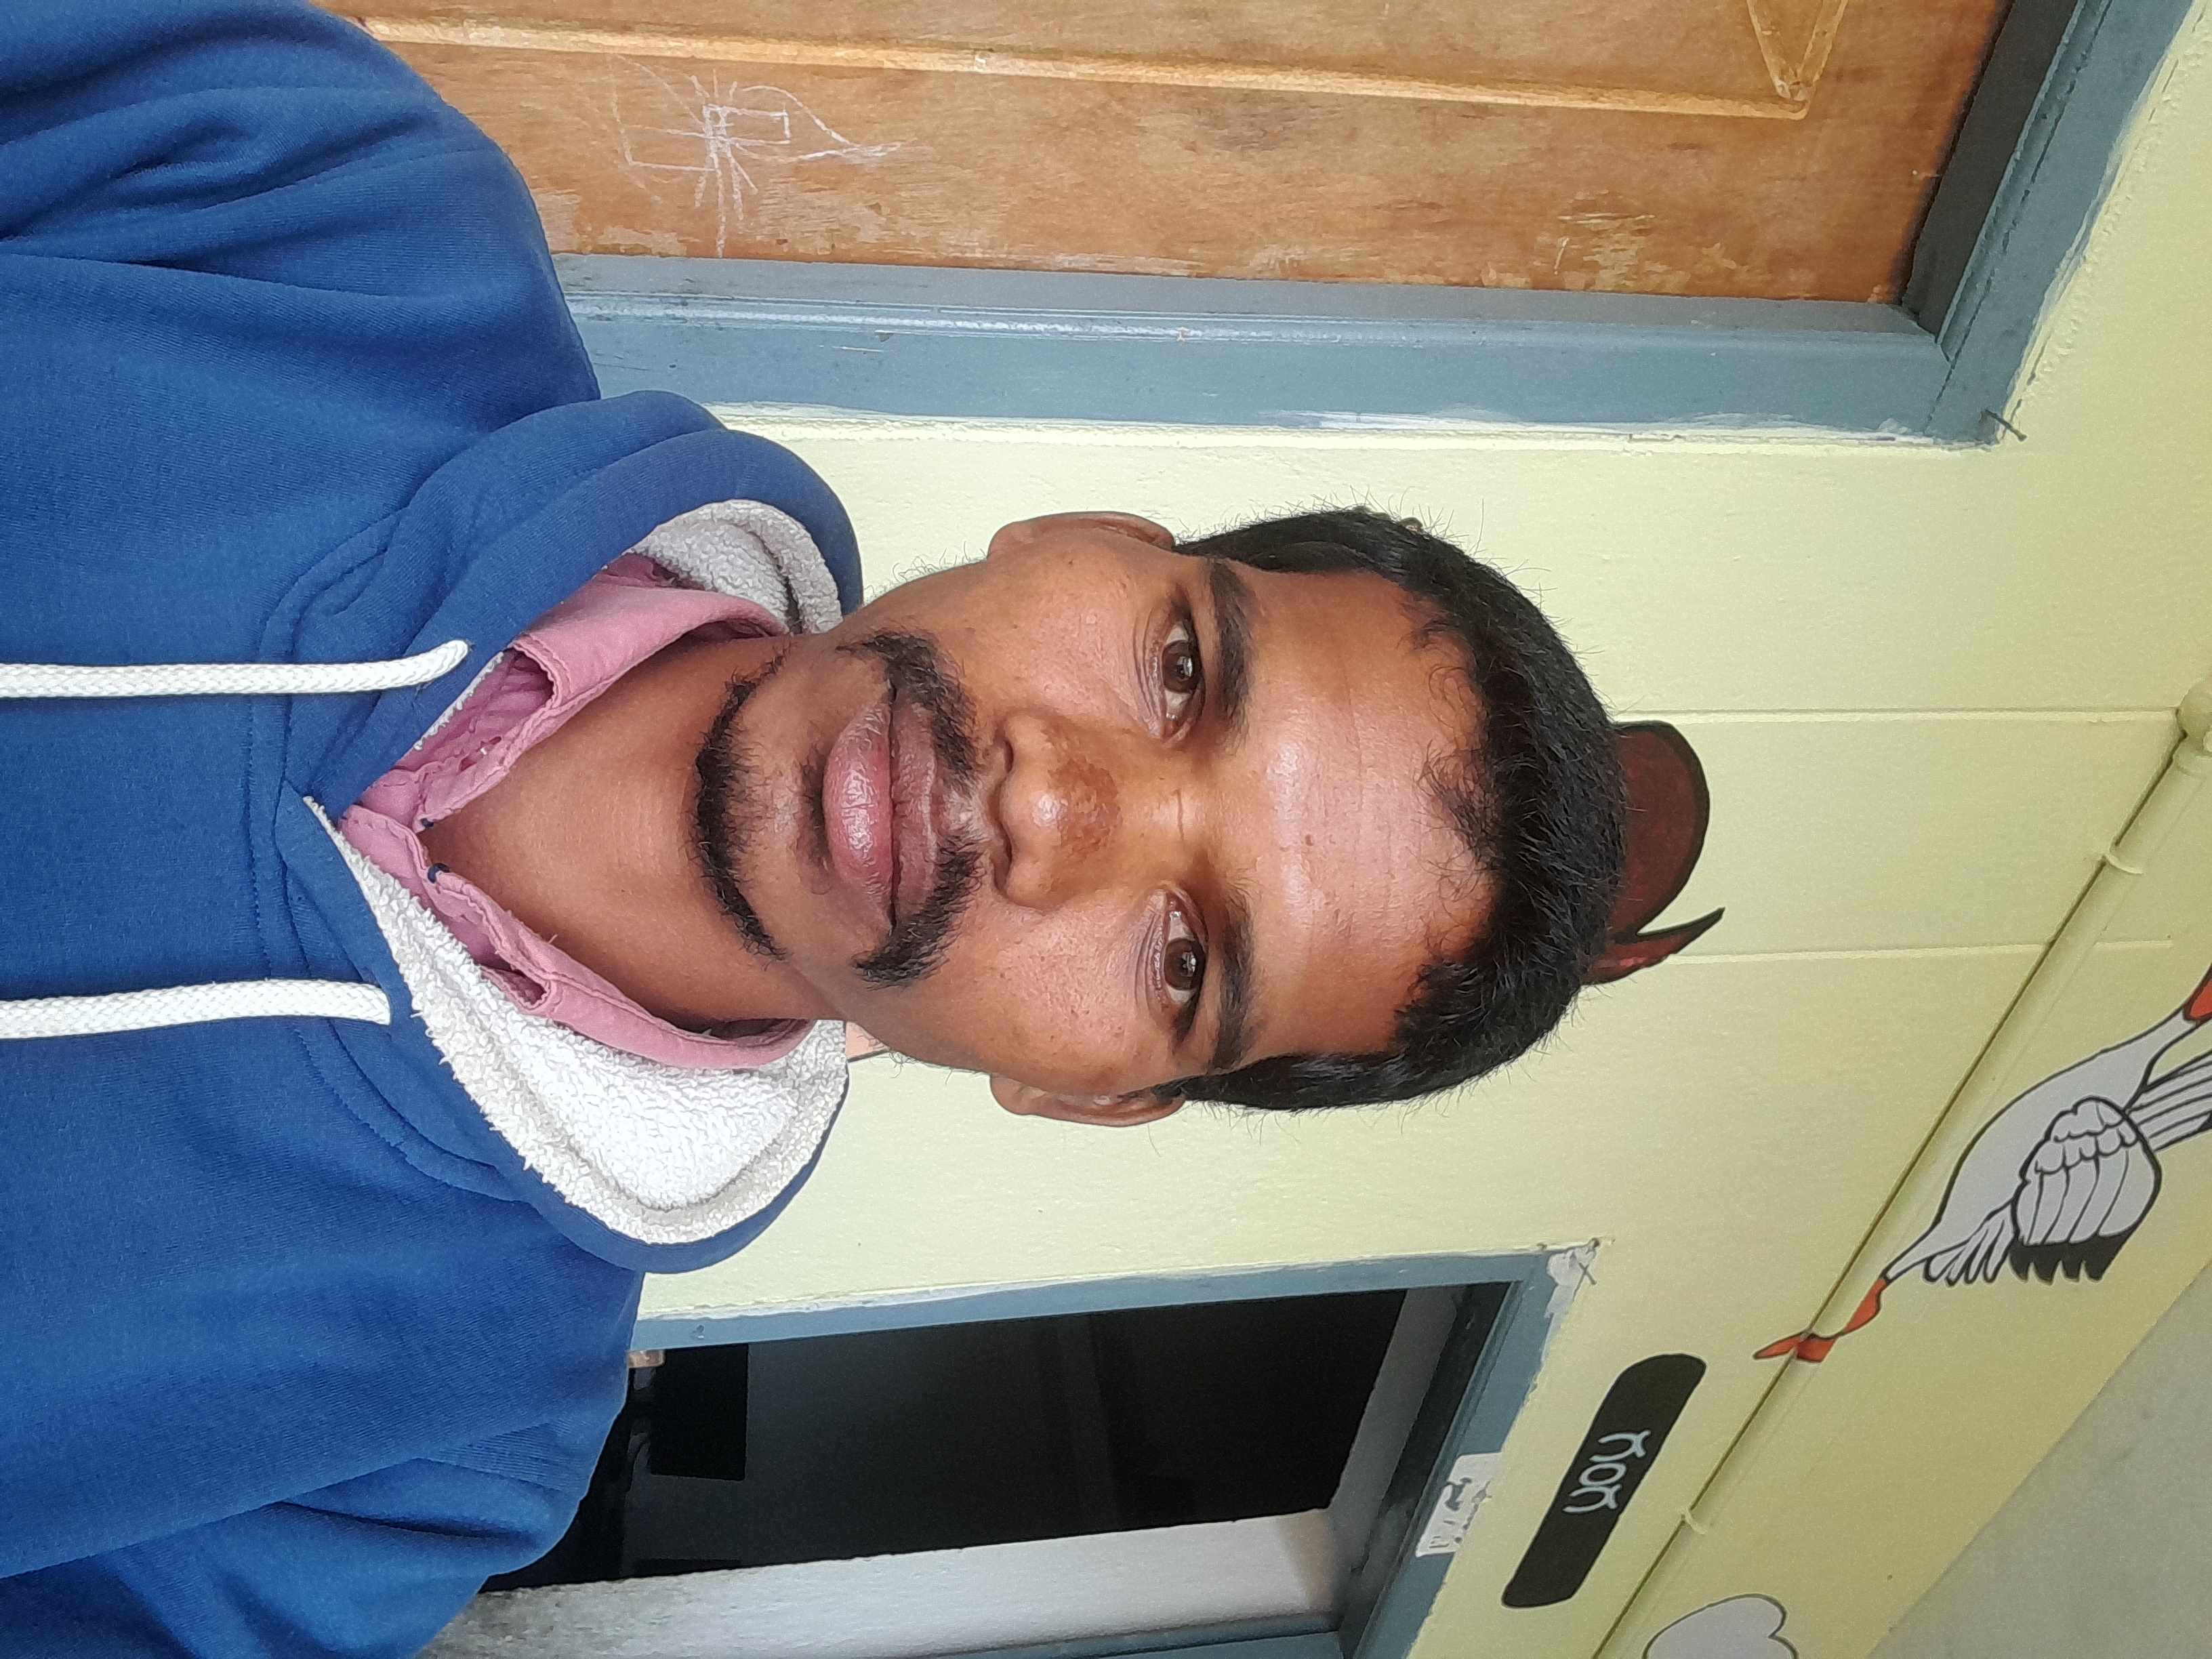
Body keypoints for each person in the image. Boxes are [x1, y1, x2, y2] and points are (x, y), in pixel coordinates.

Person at [0, 2, 1626, 1653]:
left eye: (1187, 954)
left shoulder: (411, 1470)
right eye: (1184, 670)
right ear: (1086, 535)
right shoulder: (327, 205)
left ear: (1086, 1093)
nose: (1055, 805)